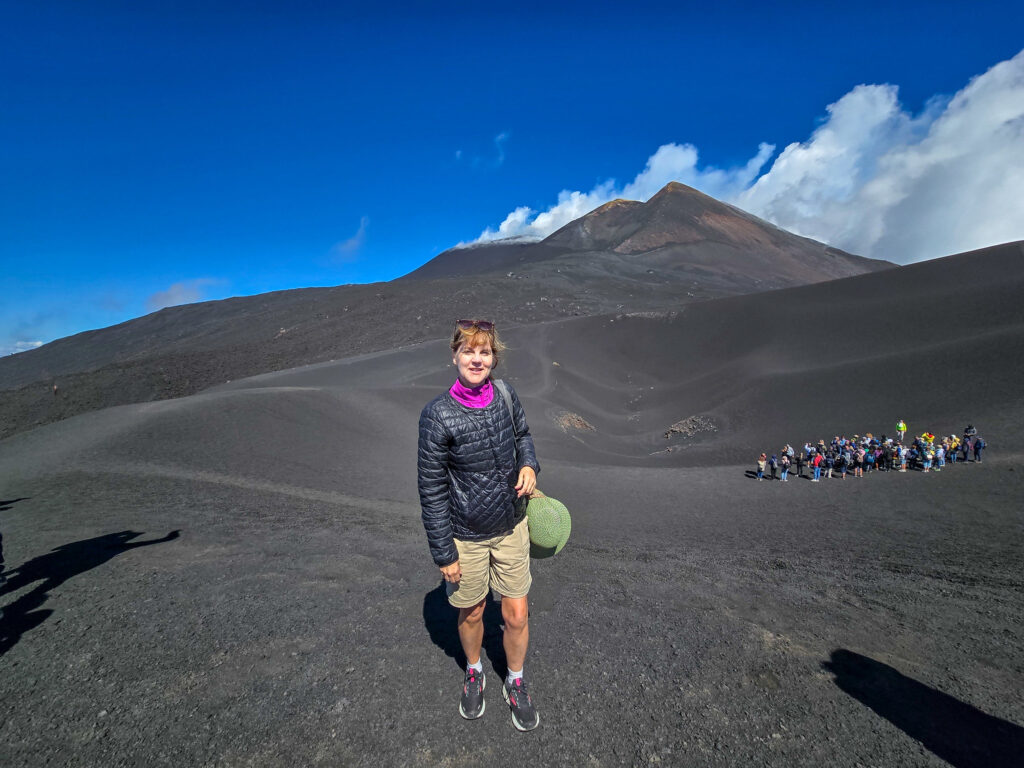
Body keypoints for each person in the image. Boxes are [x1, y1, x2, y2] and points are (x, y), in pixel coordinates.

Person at [418, 319, 541, 731]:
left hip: (511, 525)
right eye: (468, 351)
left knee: (517, 614)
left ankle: (516, 680)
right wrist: (443, 552)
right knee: (471, 613)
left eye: (484, 352)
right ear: (454, 355)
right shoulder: (437, 416)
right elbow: (432, 488)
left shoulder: (506, 395)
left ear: (494, 358)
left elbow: (523, 435)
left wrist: (529, 464)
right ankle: (474, 670)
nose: (477, 358)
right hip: (465, 537)